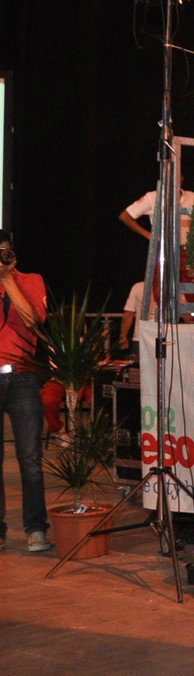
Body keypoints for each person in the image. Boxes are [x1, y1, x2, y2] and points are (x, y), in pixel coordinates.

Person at [0, 230, 50, 553]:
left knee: (30, 458)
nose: (0, 257)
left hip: (22, 378)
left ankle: (36, 529)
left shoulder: (31, 280)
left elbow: (33, 320)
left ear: (13, 254)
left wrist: (7, 280)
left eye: (4, 252)